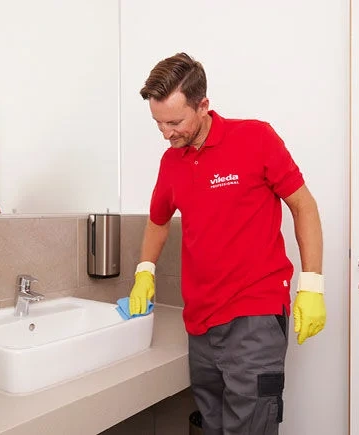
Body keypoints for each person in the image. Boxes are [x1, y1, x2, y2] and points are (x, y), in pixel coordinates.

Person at [128, 53, 326, 435]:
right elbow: (157, 221)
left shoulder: (255, 138)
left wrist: (313, 285)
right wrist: (144, 271)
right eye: (158, 123)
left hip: (254, 318)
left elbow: (303, 205)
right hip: (200, 324)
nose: (166, 133)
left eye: (174, 122)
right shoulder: (172, 163)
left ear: (203, 105)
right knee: (211, 427)